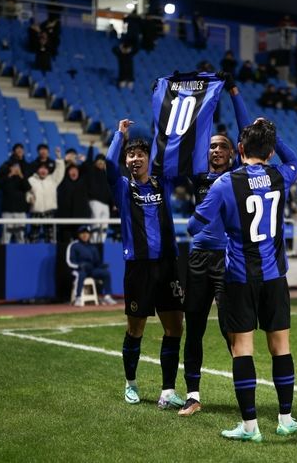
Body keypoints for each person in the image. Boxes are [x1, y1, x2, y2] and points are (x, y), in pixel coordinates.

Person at [188, 118, 297, 441]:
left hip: (238, 276)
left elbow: (194, 227)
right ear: (268, 152)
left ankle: (250, 426)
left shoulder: (225, 183)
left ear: (239, 150)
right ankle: (285, 418)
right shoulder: (281, 175)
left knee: (243, 349)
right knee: (281, 347)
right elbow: (294, 160)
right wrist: (272, 137)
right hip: (275, 276)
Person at [179, 73, 250, 417]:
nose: (217, 150)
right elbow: (193, 130)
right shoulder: (199, 175)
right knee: (193, 326)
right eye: (213, 146)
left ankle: (243, 399)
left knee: (230, 328)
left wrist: (233, 93)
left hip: (228, 259)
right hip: (197, 259)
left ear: (234, 153)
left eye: (224, 146)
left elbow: (247, 130)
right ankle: (193, 395)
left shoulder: (239, 176)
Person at [106, 119, 185, 409]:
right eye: (130, 154)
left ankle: (167, 391)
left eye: (140, 154)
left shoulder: (161, 182)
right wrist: (120, 135)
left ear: (149, 158)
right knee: (135, 329)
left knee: (175, 327)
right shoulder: (122, 187)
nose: (135, 158)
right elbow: (108, 164)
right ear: (126, 160)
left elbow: (174, 155)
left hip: (168, 265)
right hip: (138, 267)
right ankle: (130, 384)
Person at [66, 226, 116, 306]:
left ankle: (107, 296)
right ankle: (78, 298)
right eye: (82, 233)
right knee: (81, 274)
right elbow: (69, 262)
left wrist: (101, 266)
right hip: (78, 270)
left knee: (106, 273)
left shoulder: (92, 247)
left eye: (86, 233)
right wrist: (79, 266)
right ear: (79, 234)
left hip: (91, 270)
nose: (85, 235)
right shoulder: (74, 245)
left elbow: (96, 262)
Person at [27, 148, 64, 243]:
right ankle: (32, 254)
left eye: (45, 169)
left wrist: (59, 158)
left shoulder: (53, 180)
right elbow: (28, 193)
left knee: (50, 238)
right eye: (41, 168)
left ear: (48, 171)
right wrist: (29, 198)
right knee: (33, 238)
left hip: (49, 212)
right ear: (37, 170)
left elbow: (60, 170)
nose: (43, 171)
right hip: (36, 212)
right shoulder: (31, 180)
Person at [82, 146, 113, 245]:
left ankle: (101, 244)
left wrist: (112, 203)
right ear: (95, 162)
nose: (101, 163)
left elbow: (110, 190)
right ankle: (94, 243)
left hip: (106, 204)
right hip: (94, 201)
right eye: (99, 161)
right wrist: (91, 147)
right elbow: (88, 161)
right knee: (95, 224)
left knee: (104, 225)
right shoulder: (92, 171)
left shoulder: (106, 174)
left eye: (103, 161)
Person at [57, 164, 91, 244]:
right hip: (65, 222)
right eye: (71, 170)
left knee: (80, 244)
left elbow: (88, 168)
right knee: (65, 243)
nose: (74, 172)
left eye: (76, 170)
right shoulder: (63, 184)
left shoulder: (83, 183)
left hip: (80, 221)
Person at [0, 162, 31, 244]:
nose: (16, 169)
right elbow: (0, 186)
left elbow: (28, 188)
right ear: (10, 168)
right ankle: (3, 254)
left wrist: (20, 175)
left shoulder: (22, 178)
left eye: (17, 167)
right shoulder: (6, 178)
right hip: (7, 211)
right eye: (14, 167)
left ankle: (21, 254)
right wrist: (10, 175)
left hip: (20, 211)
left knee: (20, 235)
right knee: (6, 236)